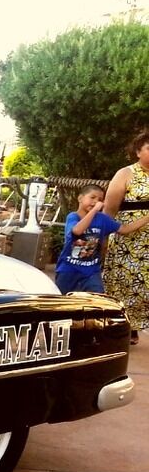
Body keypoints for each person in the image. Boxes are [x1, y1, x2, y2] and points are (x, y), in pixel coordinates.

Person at [56, 184, 149, 296]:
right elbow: (77, 231)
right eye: (92, 197)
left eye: (99, 199)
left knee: (97, 301)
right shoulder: (73, 216)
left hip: (91, 271)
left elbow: (124, 229)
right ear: (80, 198)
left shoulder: (102, 219)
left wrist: (147, 218)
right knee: (62, 301)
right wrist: (95, 210)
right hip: (68, 270)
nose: (96, 202)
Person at [103, 130, 149, 344]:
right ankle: (125, 324)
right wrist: (103, 234)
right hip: (128, 238)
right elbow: (110, 209)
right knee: (126, 282)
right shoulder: (126, 173)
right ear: (138, 151)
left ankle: (139, 322)